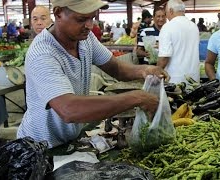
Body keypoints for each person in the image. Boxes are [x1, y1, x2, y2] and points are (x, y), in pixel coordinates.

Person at [16, 0, 169, 149]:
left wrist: (145, 70)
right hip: (40, 147)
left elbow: (116, 68)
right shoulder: (42, 54)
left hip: (69, 140)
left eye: (92, 17)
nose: (90, 25)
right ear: (58, 13)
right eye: (82, 19)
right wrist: (137, 97)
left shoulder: (85, 39)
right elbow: (69, 109)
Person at [157, 0, 200, 84]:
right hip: (194, 77)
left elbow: (164, 57)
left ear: (171, 11)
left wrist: (155, 71)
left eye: (166, 13)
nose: (166, 16)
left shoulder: (168, 27)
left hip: (175, 80)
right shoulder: (193, 26)